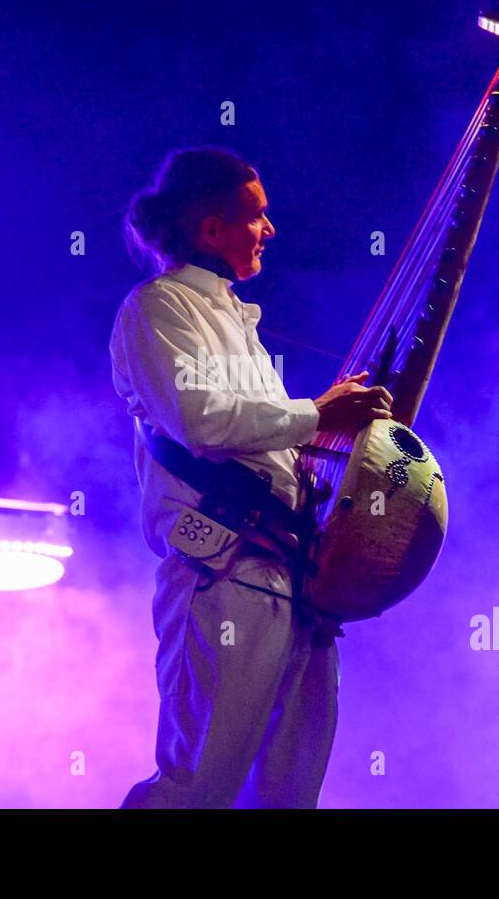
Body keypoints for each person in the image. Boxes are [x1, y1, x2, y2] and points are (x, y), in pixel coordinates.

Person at [110, 147, 392, 808]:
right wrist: (318, 412)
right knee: (197, 789)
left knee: (286, 797)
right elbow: (204, 421)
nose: (270, 230)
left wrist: (327, 426)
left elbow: (261, 444)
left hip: (292, 578)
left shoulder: (230, 315)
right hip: (224, 578)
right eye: (256, 215)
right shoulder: (158, 307)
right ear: (210, 228)